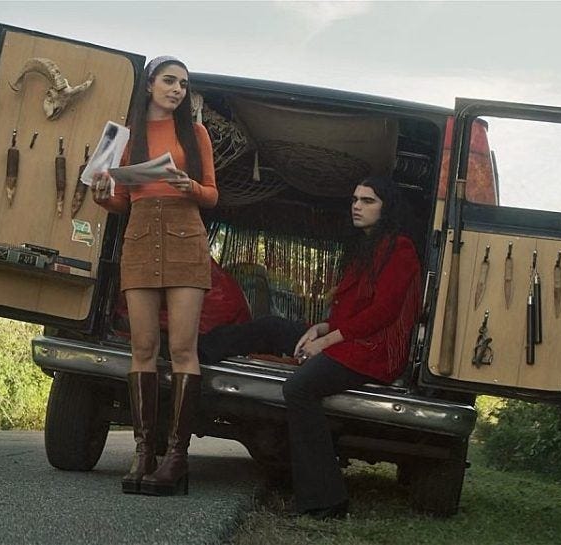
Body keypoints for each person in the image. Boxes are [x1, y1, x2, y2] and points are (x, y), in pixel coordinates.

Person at [197, 175, 421, 518]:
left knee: (299, 388)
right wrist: (321, 327)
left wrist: (326, 342)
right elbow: (351, 312)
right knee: (271, 326)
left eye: (368, 201)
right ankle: (195, 352)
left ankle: (326, 499)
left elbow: (383, 313)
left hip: (373, 351)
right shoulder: (365, 247)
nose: (357, 206)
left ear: (386, 208)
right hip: (347, 339)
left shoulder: (400, 249)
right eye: (355, 199)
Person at [92, 55, 218, 496]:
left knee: (182, 349)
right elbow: (122, 201)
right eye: (169, 81)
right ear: (149, 85)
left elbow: (212, 194)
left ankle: (176, 457)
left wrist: (190, 186)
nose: (177, 89)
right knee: (142, 348)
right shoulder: (125, 135)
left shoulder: (196, 133)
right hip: (141, 238)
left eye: (183, 84)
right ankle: (144, 452)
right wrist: (102, 196)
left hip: (185, 237)